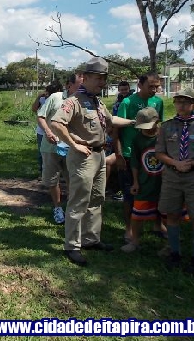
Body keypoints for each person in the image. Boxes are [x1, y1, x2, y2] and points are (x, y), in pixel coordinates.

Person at [51, 57, 136, 266]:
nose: (102, 82)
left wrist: (134, 121)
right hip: (83, 158)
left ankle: (91, 239)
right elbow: (56, 123)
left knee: (97, 198)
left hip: (99, 155)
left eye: (104, 78)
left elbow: (111, 120)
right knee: (79, 201)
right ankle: (72, 246)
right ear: (86, 77)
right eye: (98, 78)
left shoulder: (97, 101)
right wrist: (74, 144)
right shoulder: (74, 101)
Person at [155, 88, 194, 276]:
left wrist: (192, 163)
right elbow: (159, 152)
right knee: (172, 214)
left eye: (186, 102)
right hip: (172, 176)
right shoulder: (166, 127)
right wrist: (175, 163)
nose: (181, 105)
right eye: (178, 101)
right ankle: (174, 253)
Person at [113, 72, 164, 243]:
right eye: (150, 86)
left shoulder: (158, 102)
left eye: (156, 86)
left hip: (152, 156)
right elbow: (116, 130)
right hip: (129, 155)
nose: (154, 90)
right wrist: (119, 154)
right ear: (140, 85)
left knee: (157, 189)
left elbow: (159, 125)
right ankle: (129, 229)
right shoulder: (127, 102)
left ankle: (158, 223)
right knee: (129, 193)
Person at [36, 73, 83, 224]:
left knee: (72, 179)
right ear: (69, 85)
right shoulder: (55, 97)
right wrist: (48, 132)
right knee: (52, 180)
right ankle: (57, 208)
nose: (83, 88)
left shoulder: (83, 100)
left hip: (72, 147)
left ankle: (71, 208)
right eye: (80, 85)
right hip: (51, 146)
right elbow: (41, 116)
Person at [120, 107, 163, 252]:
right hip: (144, 181)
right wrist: (135, 181)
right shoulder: (138, 139)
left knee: (167, 210)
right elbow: (134, 162)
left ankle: (169, 239)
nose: (146, 130)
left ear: (157, 122)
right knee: (138, 212)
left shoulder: (163, 136)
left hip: (164, 180)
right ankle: (134, 241)